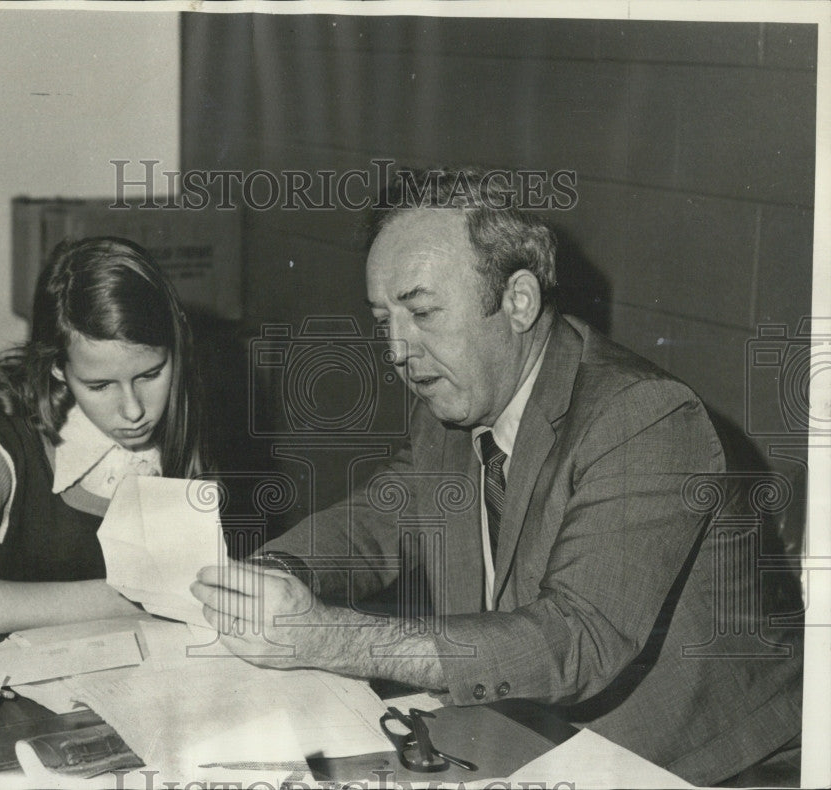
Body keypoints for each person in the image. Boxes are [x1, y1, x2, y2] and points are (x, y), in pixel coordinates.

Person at [190, 168, 803, 786]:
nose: (397, 352)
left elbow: (574, 640)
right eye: (383, 321)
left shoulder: (644, 416)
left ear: (518, 300)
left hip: (702, 766)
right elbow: (378, 520)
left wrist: (331, 639)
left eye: (422, 313)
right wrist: (273, 574)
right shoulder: (458, 405)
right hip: (535, 734)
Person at [0, 237, 205, 636]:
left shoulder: (180, 418)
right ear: (56, 369)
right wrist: (131, 599)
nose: (135, 410)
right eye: (100, 386)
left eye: (150, 374)